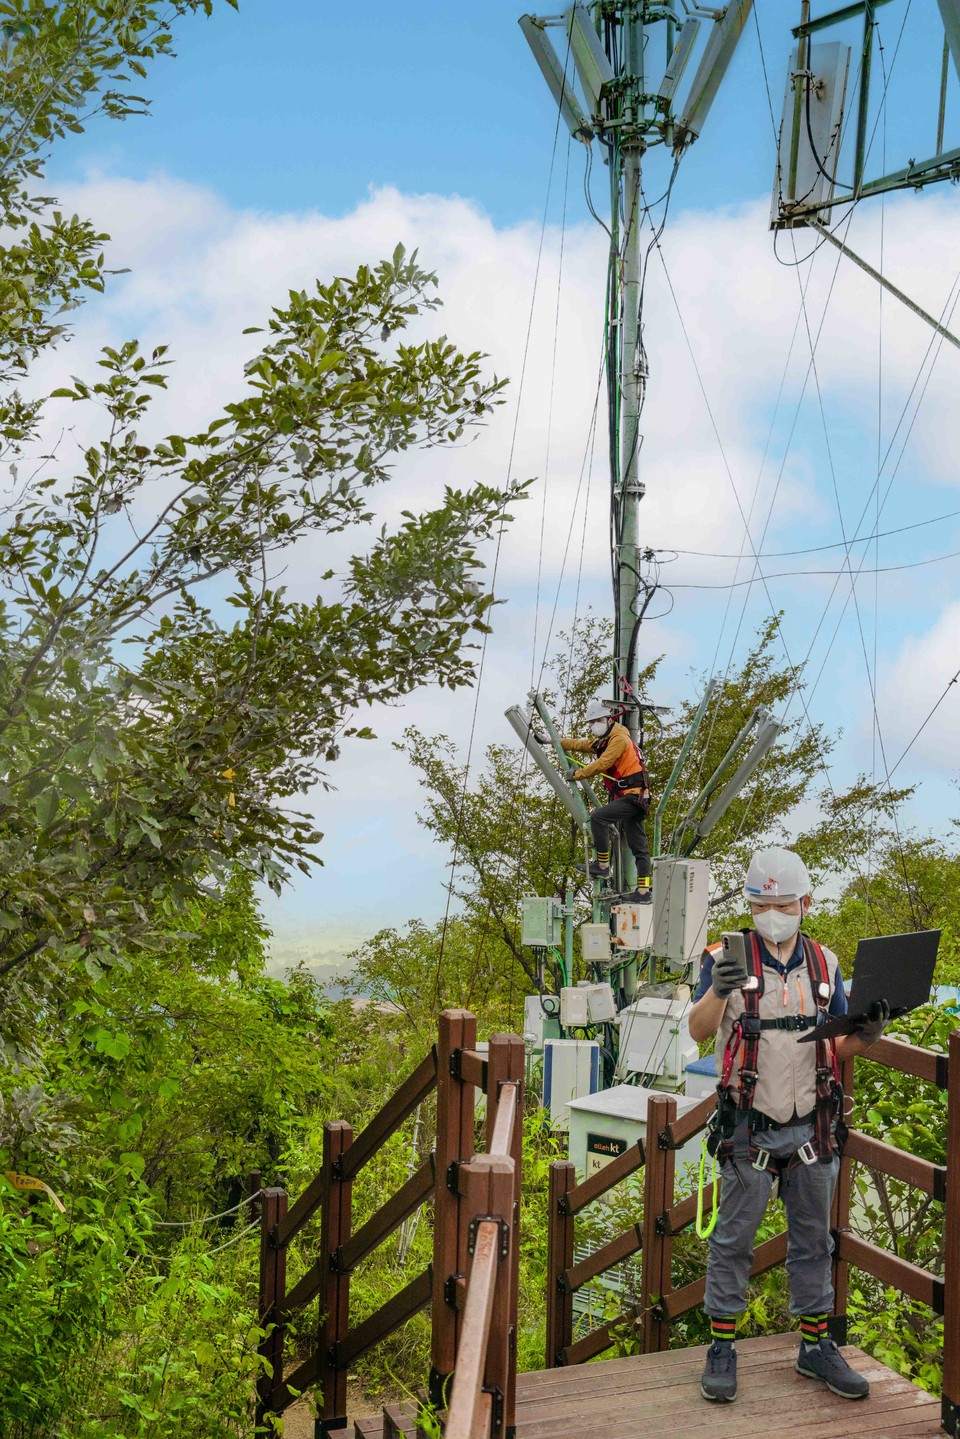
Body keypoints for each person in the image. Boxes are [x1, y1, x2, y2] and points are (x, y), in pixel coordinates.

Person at [689, 846, 890, 1405]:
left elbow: (840, 1042)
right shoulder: (722, 957)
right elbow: (700, 1031)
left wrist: (869, 1032)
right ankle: (722, 1347)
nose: (772, 912)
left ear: (805, 902)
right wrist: (719, 988)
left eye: (782, 902)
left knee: (813, 1242)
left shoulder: (824, 963)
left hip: (811, 1126)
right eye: (762, 902)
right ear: (751, 903)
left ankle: (815, 1347)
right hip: (748, 1127)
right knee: (732, 1243)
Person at [558, 699, 652, 903]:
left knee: (598, 818)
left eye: (597, 720)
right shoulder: (606, 739)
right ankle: (643, 892)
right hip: (635, 797)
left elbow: (603, 763)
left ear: (609, 719)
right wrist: (554, 741)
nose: (593, 726)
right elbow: (581, 744)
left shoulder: (618, 739)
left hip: (632, 796)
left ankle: (601, 865)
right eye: (591, 723)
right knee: (639, 848)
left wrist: (577, 775)